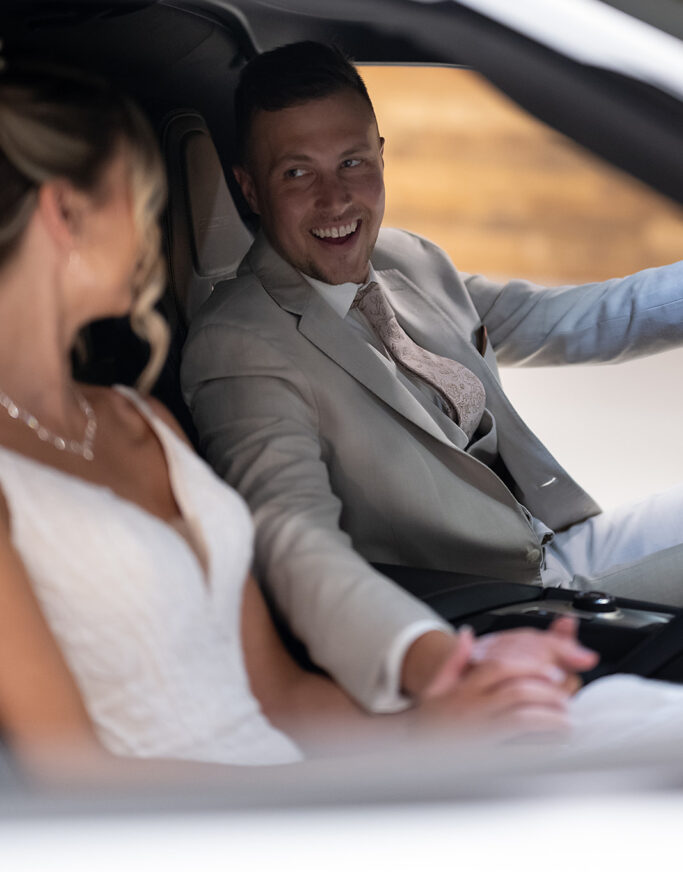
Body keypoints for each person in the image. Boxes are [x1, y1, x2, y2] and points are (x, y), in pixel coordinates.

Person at [0, 67, 600, 782]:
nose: (157, 228)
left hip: (299, 783)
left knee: (614, 720)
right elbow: (70, 776)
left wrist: (443, 722)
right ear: (65, 215)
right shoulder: (232, 348)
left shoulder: (143, 421)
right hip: (195, 827)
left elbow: (276, 694)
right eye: (143, 198)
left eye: (354, 161)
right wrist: (393, 754)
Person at [181, 40, 683, 714]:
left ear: (381, 157)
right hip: (490, 602)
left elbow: (559, 320)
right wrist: (438, 664)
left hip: (555, 540)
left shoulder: (406, 257)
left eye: (352, 163)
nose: (334, 199)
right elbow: (291, 540)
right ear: (249, 187)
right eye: (297, 174)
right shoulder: (237, 342)